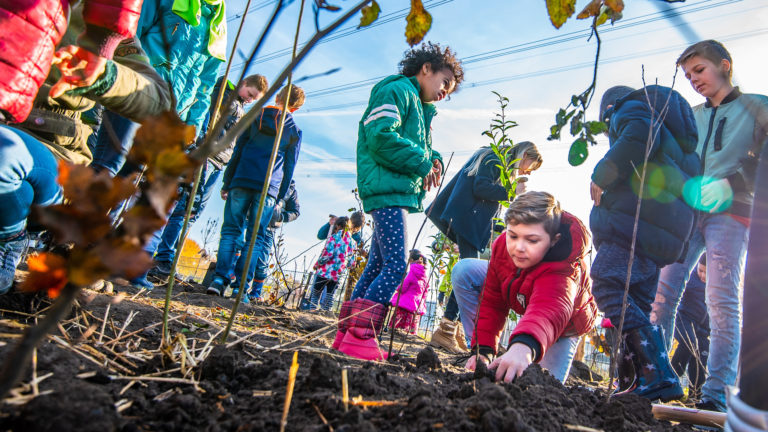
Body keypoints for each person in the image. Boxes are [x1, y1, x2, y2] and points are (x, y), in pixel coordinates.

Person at [0, 2, 172, 293]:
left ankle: (11, 239)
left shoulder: (100, 19)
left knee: (5, 156)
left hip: (47, 148)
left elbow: (158, 99)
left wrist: (105, 76)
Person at [650, 40, 768, 412]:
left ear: (725, 65)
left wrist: (731, 185)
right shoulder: (692, 115)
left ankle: (717, 395)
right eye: (687, 75)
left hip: (731, 213)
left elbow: (762, 161)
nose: (693, 80)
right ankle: (657, 379)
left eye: (699, 70)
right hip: (688, 214)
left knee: (721, 301)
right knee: (662, 295)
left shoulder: (759, 107)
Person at [332, 42, 465, 361]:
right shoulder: (397, 91)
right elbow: (381, 135)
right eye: (444, 81)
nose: (446, 90)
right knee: (395, 266)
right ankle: (362, 335)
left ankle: (346, 334)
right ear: (426, 69)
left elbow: (416, 145)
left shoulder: (419, 108)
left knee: (377, 264)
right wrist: (422, 161)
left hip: (392, 191)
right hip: (386, 189)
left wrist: (431, 159)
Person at [589, 84, 700, 401]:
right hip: (660, 237)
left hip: (633, 226)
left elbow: (638, 135)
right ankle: (637, 382)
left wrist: (603, 173)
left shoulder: (631, 108)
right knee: (636, 301)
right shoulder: (681, 145)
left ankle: (657, 373)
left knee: (607, 282)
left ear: (609, 110)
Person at [460, 191, 597, 384]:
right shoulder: (503, 246)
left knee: (542, 386)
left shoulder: (563, 266)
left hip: (563, 326)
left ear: (554, 240)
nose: (519, 247)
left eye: (532, 240)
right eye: (513, 235)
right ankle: (479, 352)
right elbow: (492, 300)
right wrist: (484, 349)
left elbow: (550, 308)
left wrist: (524, 346)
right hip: (525, 298)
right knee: (464, 270)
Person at [145, 75, 268, 279]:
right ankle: (163, 257)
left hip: (219, 161)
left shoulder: (237, 105)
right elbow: (206, 121)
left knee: (195, 211)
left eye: (254, 99)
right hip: (207, 157)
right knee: (185, 207)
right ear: (244, 84)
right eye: (250, 94)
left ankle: (169, 257)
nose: (249, 100)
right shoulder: (222, 95)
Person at [427, 142, 542, 353]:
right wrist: (510, 190)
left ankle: (455, 329)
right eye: (529, 165)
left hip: (467, 220)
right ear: (524, 154)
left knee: (467, 271)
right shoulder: (495, 157)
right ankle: (446, 330)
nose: (527, 171)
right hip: (466, 220)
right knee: (468, 273)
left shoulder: (498, 159)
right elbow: (480, 187)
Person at [207, 85, 304, 296]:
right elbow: (289, 168)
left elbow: (237, 150)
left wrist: (227, 182)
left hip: (241, 179)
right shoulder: (294, 130)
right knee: (255, 238)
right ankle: (240, 289)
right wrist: (279, 197)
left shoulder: (254, 116)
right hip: (268, 188)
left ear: (277, 96)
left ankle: (218, 280)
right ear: (296, 107)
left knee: (231, 230)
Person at [231, 180, 300, 303]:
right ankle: (231, 275)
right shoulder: (269, 178)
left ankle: (256, 292)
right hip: (250, 220)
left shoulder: (291, 190)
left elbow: (295, 212)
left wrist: (280, 216)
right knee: (239, 245)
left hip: (269, 227)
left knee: (262, 260)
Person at [671, 254, 710, 401]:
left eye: (707, 272)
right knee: (689, 344)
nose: (703, 276)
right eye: (701, 270)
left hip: (704, 329)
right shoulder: (691, 277)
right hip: (684, 320)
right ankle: (670, 379)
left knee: (701, 354)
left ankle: (696, 395)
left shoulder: (718, 284)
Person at [309, 217, 356, 311]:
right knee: (330, 296)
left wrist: (317, 264)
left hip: (324, 272)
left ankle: (311, 311)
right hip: (337, 275)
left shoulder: (333, 238)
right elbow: (352, 263)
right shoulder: (353, 242)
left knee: (315, 294)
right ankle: (325, 314)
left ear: (337, 226)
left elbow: (327, 255)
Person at [390, 249, 429, 334]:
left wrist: (398, 288)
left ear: (411, 260)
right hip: (417, 305)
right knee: (410, 328)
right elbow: (425, 292)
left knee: (396, 328)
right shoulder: (425, 275)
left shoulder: (412, 271)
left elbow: (403, 287)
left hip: (405, 304)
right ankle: (411, 333)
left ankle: (396, 331)